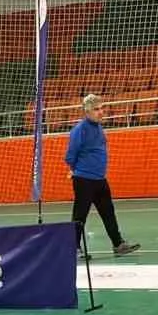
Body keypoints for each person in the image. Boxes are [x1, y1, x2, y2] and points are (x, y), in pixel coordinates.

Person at [65, 93, 140, 258]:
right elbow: (70, 155)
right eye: (96, 109)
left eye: (102, 108)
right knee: (80, 215)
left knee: (108, 212)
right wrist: (76, 170)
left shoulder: (98, 127)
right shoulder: (79, 130)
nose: (101, 112)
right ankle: (73, 248)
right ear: (87, 112)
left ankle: (118, 244)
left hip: (100, 179)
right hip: (84, 179)